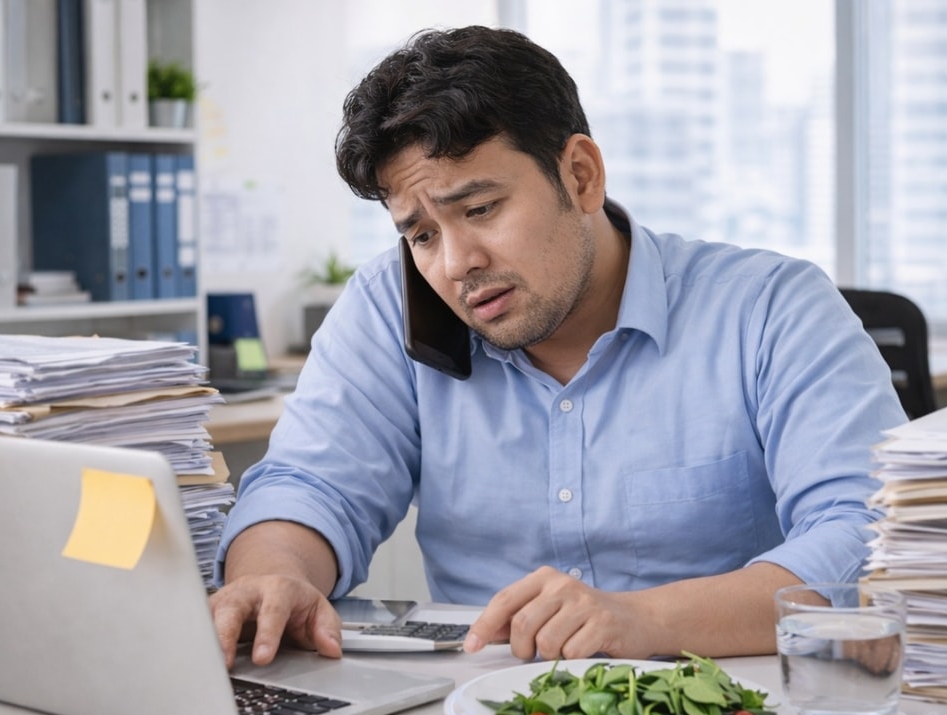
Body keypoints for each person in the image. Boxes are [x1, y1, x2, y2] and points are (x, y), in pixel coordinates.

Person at [208, 25, 906, 669]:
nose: (454, 264)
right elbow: (309, 485)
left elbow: (869, 539)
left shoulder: (770, 309)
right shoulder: (388, 312)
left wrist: (645, 621)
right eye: (420, 233)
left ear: (581, 175)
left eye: (479, 209)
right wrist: (274, 576)